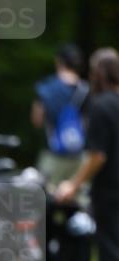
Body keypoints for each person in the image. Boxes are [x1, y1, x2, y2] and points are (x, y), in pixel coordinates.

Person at [56, 48, 119, 261]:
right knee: (109, 255)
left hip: (109, 193)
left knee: (109, 256)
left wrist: (74, 184)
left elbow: (97, 156)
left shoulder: (101, 105)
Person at [31, 44, 89, 187]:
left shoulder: (47, 87)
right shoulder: (87, 89)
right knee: (77, 204)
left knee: (45, 200)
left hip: (52, 154)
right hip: (80, 156)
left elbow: (37, 120)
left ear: (59, 61)